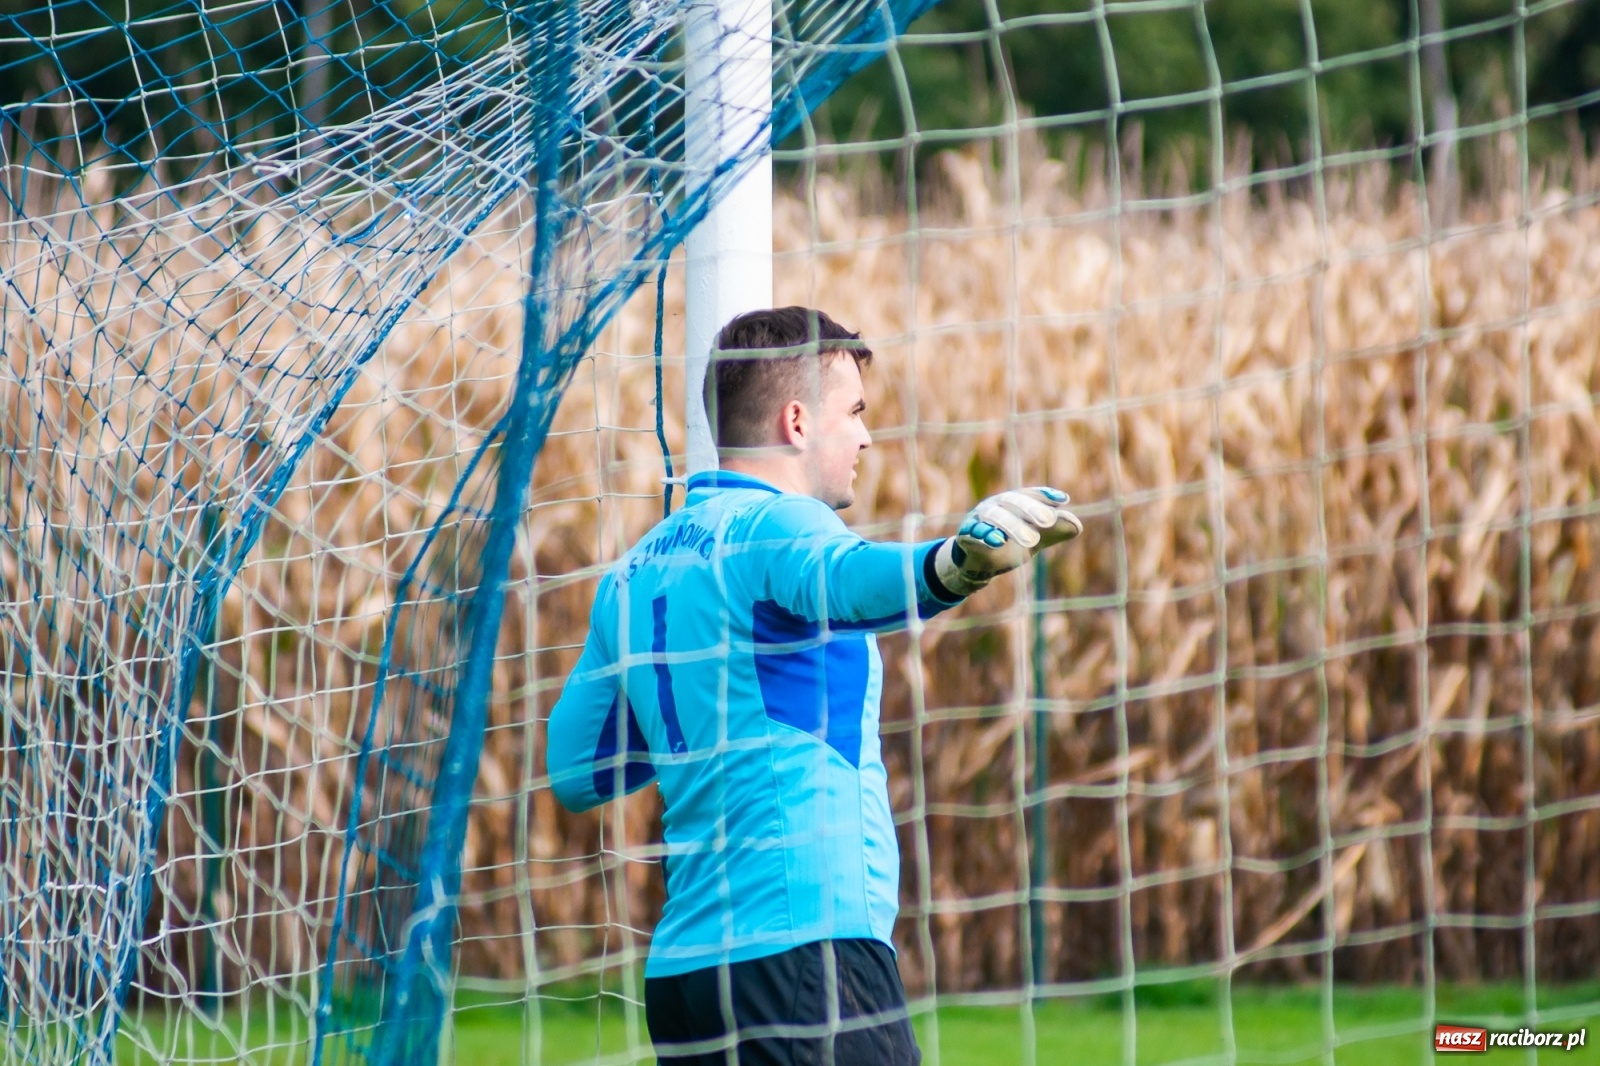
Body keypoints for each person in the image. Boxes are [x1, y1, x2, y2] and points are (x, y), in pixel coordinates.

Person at [546, 306, 1082, 1065]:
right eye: (854, 413)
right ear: (797, 422)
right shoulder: (780, 527)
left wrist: (704, 722)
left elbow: (575, 770)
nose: (866, 436)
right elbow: (846, 578)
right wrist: (954, 564)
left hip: (685, 980)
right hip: (808, 961)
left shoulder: (630, 574)